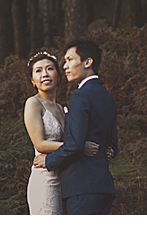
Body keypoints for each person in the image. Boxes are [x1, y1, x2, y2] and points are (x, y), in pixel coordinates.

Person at [33, 39, 119, 214]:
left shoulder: (80, 96)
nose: (65, 66)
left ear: (88, 62)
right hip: (103, 184)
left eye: (70, 60)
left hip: (82, 186)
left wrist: (49, 160)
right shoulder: (107, 96)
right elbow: (113, 146)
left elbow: (76, 144)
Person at [23, 49, 103, 215]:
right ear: (32, 80)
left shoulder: (63, 108)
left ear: (58, 75)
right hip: (45, 177)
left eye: (50, 69)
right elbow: (40, 144)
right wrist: (80, 147)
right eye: (38, 71)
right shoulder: (33, 103)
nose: (45, 74)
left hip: (67, 179)